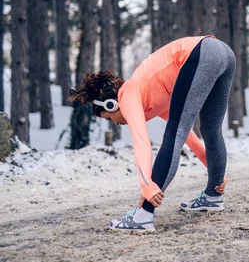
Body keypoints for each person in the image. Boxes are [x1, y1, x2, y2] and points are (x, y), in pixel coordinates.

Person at [69, 36, 236, 233]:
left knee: (174, 132)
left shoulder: (128, 93)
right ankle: (213, 195)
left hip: (202, 53)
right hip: (224, 53)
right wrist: (213, 168)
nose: (115, 123)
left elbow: (141, 143)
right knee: (209, 129)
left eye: (108, 117)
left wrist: (147, 186)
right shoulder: (150, 97)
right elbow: (188, 137)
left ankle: (143, 215)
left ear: (111, 105)